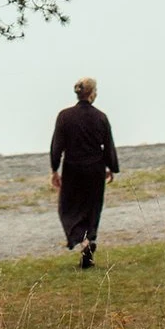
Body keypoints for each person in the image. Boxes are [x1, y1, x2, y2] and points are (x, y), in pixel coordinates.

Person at [49, 76, 118, 268]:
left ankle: (83, 240)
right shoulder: (100, 117)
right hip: (95, 168)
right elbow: (108, 145)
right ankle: (90, 239)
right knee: (92, 208)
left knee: (68, 208)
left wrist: (55, 169)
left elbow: (57, 145)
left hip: (72, 168)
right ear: (92, 93)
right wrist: (111, 167)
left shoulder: (64, 116)